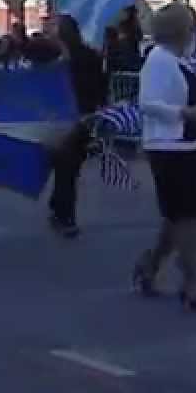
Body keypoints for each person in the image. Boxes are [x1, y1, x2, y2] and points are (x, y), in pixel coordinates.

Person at [131, 4, 196, 313]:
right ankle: (191, 283)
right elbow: (147, 103)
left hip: (191, 143)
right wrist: (182, 112)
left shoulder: (182, 60)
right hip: (170, 146)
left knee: (177, 217)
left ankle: (151, 266)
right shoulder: (159, 60)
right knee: (189, 216)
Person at [46, 15, 109, 238]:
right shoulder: (82, 55)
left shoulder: (68, 60)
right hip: (78, 117)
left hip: (74, 117)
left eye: (54, 29)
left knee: (67, 165)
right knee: (67, 167)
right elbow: (102, 86)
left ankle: (65, 215)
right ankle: (59, 206)